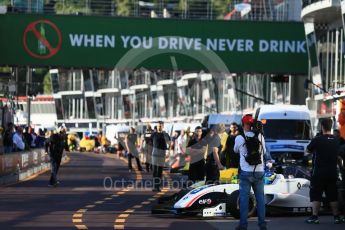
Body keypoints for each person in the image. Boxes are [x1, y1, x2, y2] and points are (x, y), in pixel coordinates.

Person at [305, 118, 341, 224]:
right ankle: (337, 217)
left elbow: (307, 151)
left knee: (316, 194)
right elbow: (339, 157)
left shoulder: (318, 139)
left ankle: (314, 217)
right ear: (331, 126)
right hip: (332, 172)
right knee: (333, 195)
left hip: (319, 172)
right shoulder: (336, 140)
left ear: (322, 126)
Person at [234, 114, 267, 230]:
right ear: (252, 124)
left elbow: (235, 150)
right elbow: (265, 151)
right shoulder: (260, 137)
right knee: (260, 199)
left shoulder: (239, 138)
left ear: (243, 124)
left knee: (244, 199)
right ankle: (262, 225)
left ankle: (243, 225)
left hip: (245, 172)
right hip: (259, 171)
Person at [151, 121, 170, 192]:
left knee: (159, 171)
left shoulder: (165, 134)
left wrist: (168, 152)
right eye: (158, 126)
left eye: (161, 126)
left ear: (163, 126)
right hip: (154, 154)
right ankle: (155, 186)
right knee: (154, 171)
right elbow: (149, 144)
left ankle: (158, 186)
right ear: (157, 126)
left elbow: (169, 143)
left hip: (162, 155)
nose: (159, 127)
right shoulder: (153, 134)